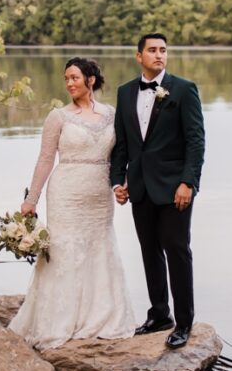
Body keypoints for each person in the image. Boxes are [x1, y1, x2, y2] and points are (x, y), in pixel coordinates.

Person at [7, 57, 136, 350]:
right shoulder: (58, 117)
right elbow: (45, 158)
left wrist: (123, 181)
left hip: (99, 195)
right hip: (66, 193)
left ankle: (101, 316)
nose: (69, 84)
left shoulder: (111, 114)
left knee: (100, 248)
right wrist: (31, 199)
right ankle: (59, 320)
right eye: (66, 79)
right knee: (64, 251)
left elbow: (121, 155)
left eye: (74, 78)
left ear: (91, 80)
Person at [110, 33, 205, 349]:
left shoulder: (184, 89)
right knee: (149, 251)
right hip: (139, 187)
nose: (159, 55)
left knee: (177, 251)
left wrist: (188, 182)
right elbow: (122, 144)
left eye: (163, 50)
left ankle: (185, 322)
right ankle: (159, 315)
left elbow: (195, 141)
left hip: (175, 187)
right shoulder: (124, 93)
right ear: (139, 56)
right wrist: (118, 181)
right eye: (152, 50)